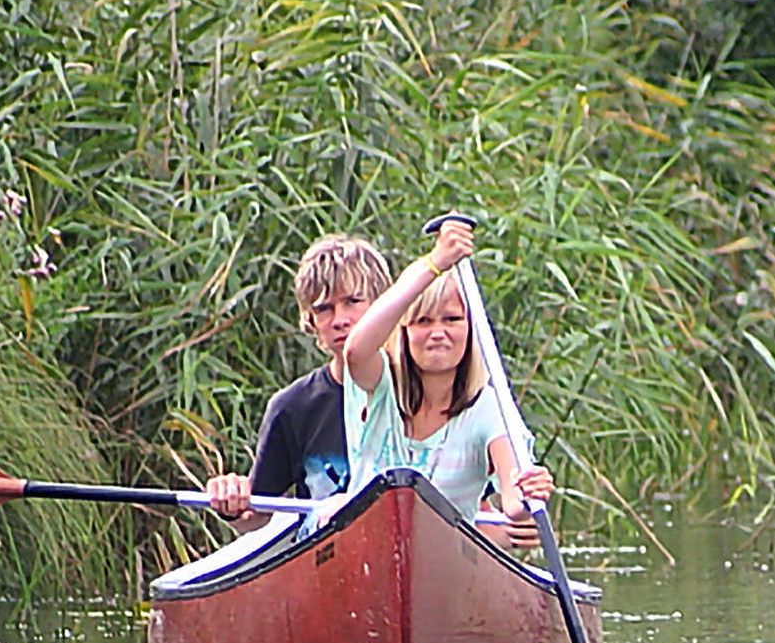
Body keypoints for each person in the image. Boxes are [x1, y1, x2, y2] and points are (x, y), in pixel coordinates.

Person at [339, 218, 553, 531]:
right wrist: (435, 263)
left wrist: (528, 492)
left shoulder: (489, 409)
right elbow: (356, 350)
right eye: (423, 321)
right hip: (363, 542)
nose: (438, 333)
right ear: (405, 332)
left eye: (451, 319)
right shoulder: (380, 383)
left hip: (444, 557)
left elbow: (513, 501)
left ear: (470, 329)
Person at [205, 233, 392, 529]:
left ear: (384, 305)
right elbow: (255, 515)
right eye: (324, 308)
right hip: (327, 560)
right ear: (311, 320)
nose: (339, 319)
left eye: (353, 301)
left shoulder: (422, 392)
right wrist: (231, 498)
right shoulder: (293, 407)